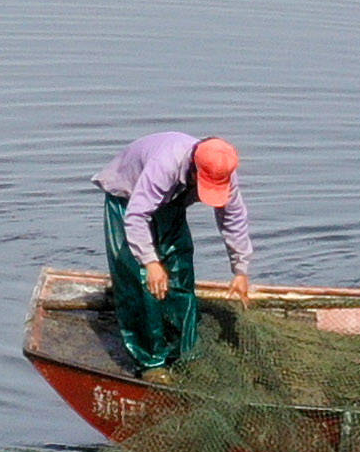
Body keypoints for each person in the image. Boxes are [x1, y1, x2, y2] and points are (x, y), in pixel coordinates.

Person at [93, 130, 255, 372]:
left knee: (180, 272)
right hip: (128, 199)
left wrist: (240, 270)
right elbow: (137, 216)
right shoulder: (165, 165)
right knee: (141, 281)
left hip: (171, 201)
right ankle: (150, 360)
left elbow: (233, 219)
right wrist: (150, 262)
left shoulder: (224, 172)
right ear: (193, 170)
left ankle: (182, 351)